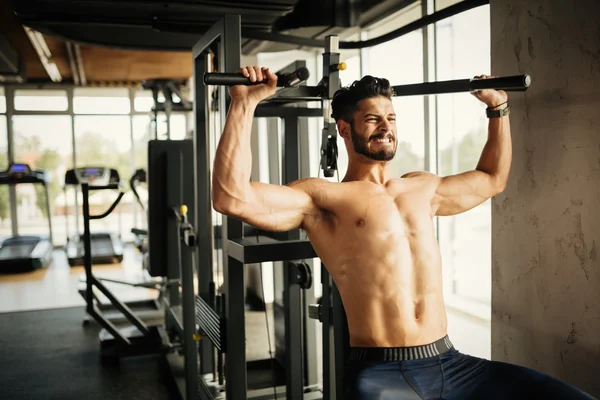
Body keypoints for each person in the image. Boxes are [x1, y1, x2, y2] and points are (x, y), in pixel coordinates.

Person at [211, 66, 595, 400]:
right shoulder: (322, 198)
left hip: (452, 364)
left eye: (391, 118)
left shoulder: (421, 188)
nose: (386, 127)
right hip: (382, 375)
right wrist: (244, 104)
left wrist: (498, 108)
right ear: (344, 129)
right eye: (373, 119)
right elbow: (231, 197)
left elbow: (492, 179)